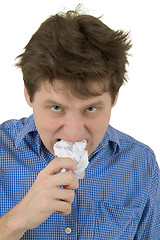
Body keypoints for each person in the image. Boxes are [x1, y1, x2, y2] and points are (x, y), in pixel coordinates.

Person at [0, 8, 160, 240]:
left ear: (114, 99)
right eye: (56, 108)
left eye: (91, 109)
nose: (74, 134)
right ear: (28, 95)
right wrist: (17, 220)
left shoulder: (140, 163)